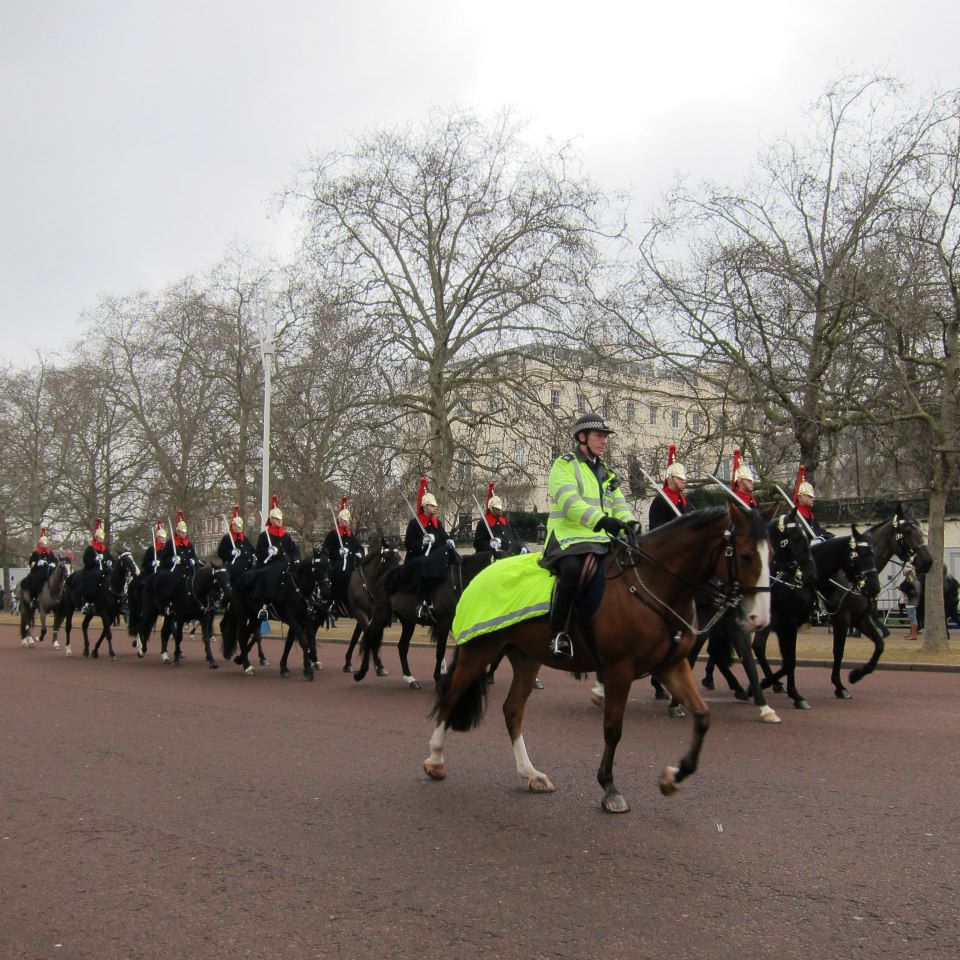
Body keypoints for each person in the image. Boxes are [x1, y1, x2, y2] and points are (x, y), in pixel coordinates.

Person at [541, 412, 637, 658]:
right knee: (572, 570)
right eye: (599, 436)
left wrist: (630, 523)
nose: (604, 441)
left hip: (600, 539)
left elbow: (619, 503)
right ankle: (558, 633)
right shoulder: (564, 464)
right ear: (582, 437)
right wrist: (602, 520)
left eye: (606, 436)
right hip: (567, 538)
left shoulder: (607, 471)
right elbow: (569, 502)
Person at [401, 478, 458, 622]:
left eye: (435, 506)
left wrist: (449, 541)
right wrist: (422, 542)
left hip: (435, 557)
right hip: (418, 557)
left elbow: (443, 538)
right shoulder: (415, 523)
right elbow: (408, 544)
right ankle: (421, 603)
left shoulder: (436, 522)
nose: (435, 508)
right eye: (432, 506)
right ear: (425, 507)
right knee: (425, 565)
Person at [253, 495, 301, 619]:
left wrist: (296, 558)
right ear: (272, 520)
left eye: (280, 519)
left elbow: (294, 550)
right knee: (269, 575)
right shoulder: (264, 536)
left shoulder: (286, 536)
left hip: (288, 563)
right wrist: (268, 553)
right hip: (272, 564)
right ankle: (265, 605)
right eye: (277, 519)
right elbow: (259, 553)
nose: (280, 521)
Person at [323, 501, 365, 616]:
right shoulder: (332, 535)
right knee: (341, 573)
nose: (347, 523)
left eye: (348, 521)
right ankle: (333, 602)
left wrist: (358, 553)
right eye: (345, 521)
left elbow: (359, 547)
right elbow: (326, 551)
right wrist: (338, 552)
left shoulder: (351, 535)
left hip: (350, 564)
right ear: (340, 520)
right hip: (335, 563)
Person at [473, 484, 527, 555]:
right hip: (496, 557)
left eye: (500, 508)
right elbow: (477, 544)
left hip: (511, 556)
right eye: (497, 509)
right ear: (491, 509)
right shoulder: (483, 523)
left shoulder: (504, 522)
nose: (500, 511)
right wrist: (492, 545)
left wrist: (522, 546)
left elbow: (515, 537)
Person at [648, 450, 694, 531]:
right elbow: (656, 532)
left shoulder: (686, 501)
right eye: (679, 478)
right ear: (670, 479)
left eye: (684, 478)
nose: (684, 481)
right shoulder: (660, 501)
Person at [80, 518, 114, 614]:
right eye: (100, 537)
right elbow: (86, 561)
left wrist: (110, 562)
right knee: (93, 576)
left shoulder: (105, 550)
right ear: (96, 537)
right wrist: (95, 560)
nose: (101, 539)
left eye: (102, 537)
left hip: (104, 570)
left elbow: (110, 559)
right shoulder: (90, 549)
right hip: (91, 570)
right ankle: (88, 602)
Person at [217, 505, 256, 581]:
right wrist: (231, 553)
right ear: (233, 526)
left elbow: (251, 550)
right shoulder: (227, 538)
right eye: (237, 526)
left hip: (247, 568)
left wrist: (254, 554)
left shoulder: (244, 538)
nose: (239, 528)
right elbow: (220, 553)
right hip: (234, 569)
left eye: (240, 526)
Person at [22, 525, 57, 608]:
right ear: (40, 543)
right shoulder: (35, 553)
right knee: (34, 580)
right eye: (43, 543)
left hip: (48, 571)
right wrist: (37, 563)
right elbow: (31, 563)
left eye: (46, 542)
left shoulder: (50, 552)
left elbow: (55, 561)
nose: (45, 544)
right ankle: (34, 599)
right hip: (37, 572)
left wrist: (53, 564)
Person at [898, 567, 921, 640]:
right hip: (909, 602)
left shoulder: (915, 582)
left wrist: (907, 591)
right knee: (911, 619)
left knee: (913, 619)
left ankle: (914, 635)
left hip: (912, 602)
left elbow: (916, 592)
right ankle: (912, 634)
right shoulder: (912, 582)